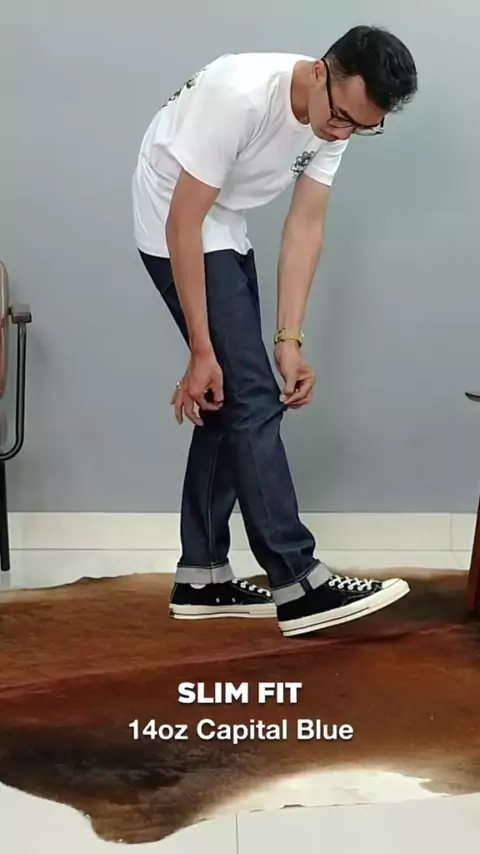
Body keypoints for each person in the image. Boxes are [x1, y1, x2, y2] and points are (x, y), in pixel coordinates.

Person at [132, 25, 418, 637]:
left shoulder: (337, 117)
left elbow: (304, 226)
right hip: (172, 214)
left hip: (225, 217)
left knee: (237, 393)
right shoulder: (237, 95)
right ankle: (298, 580)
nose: (340, 133)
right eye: (340, 117)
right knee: (252, 396)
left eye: (361, 127)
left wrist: (290, 339)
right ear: (319, 71)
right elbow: (183, 223)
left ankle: (202, 576)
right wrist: (201, 349)